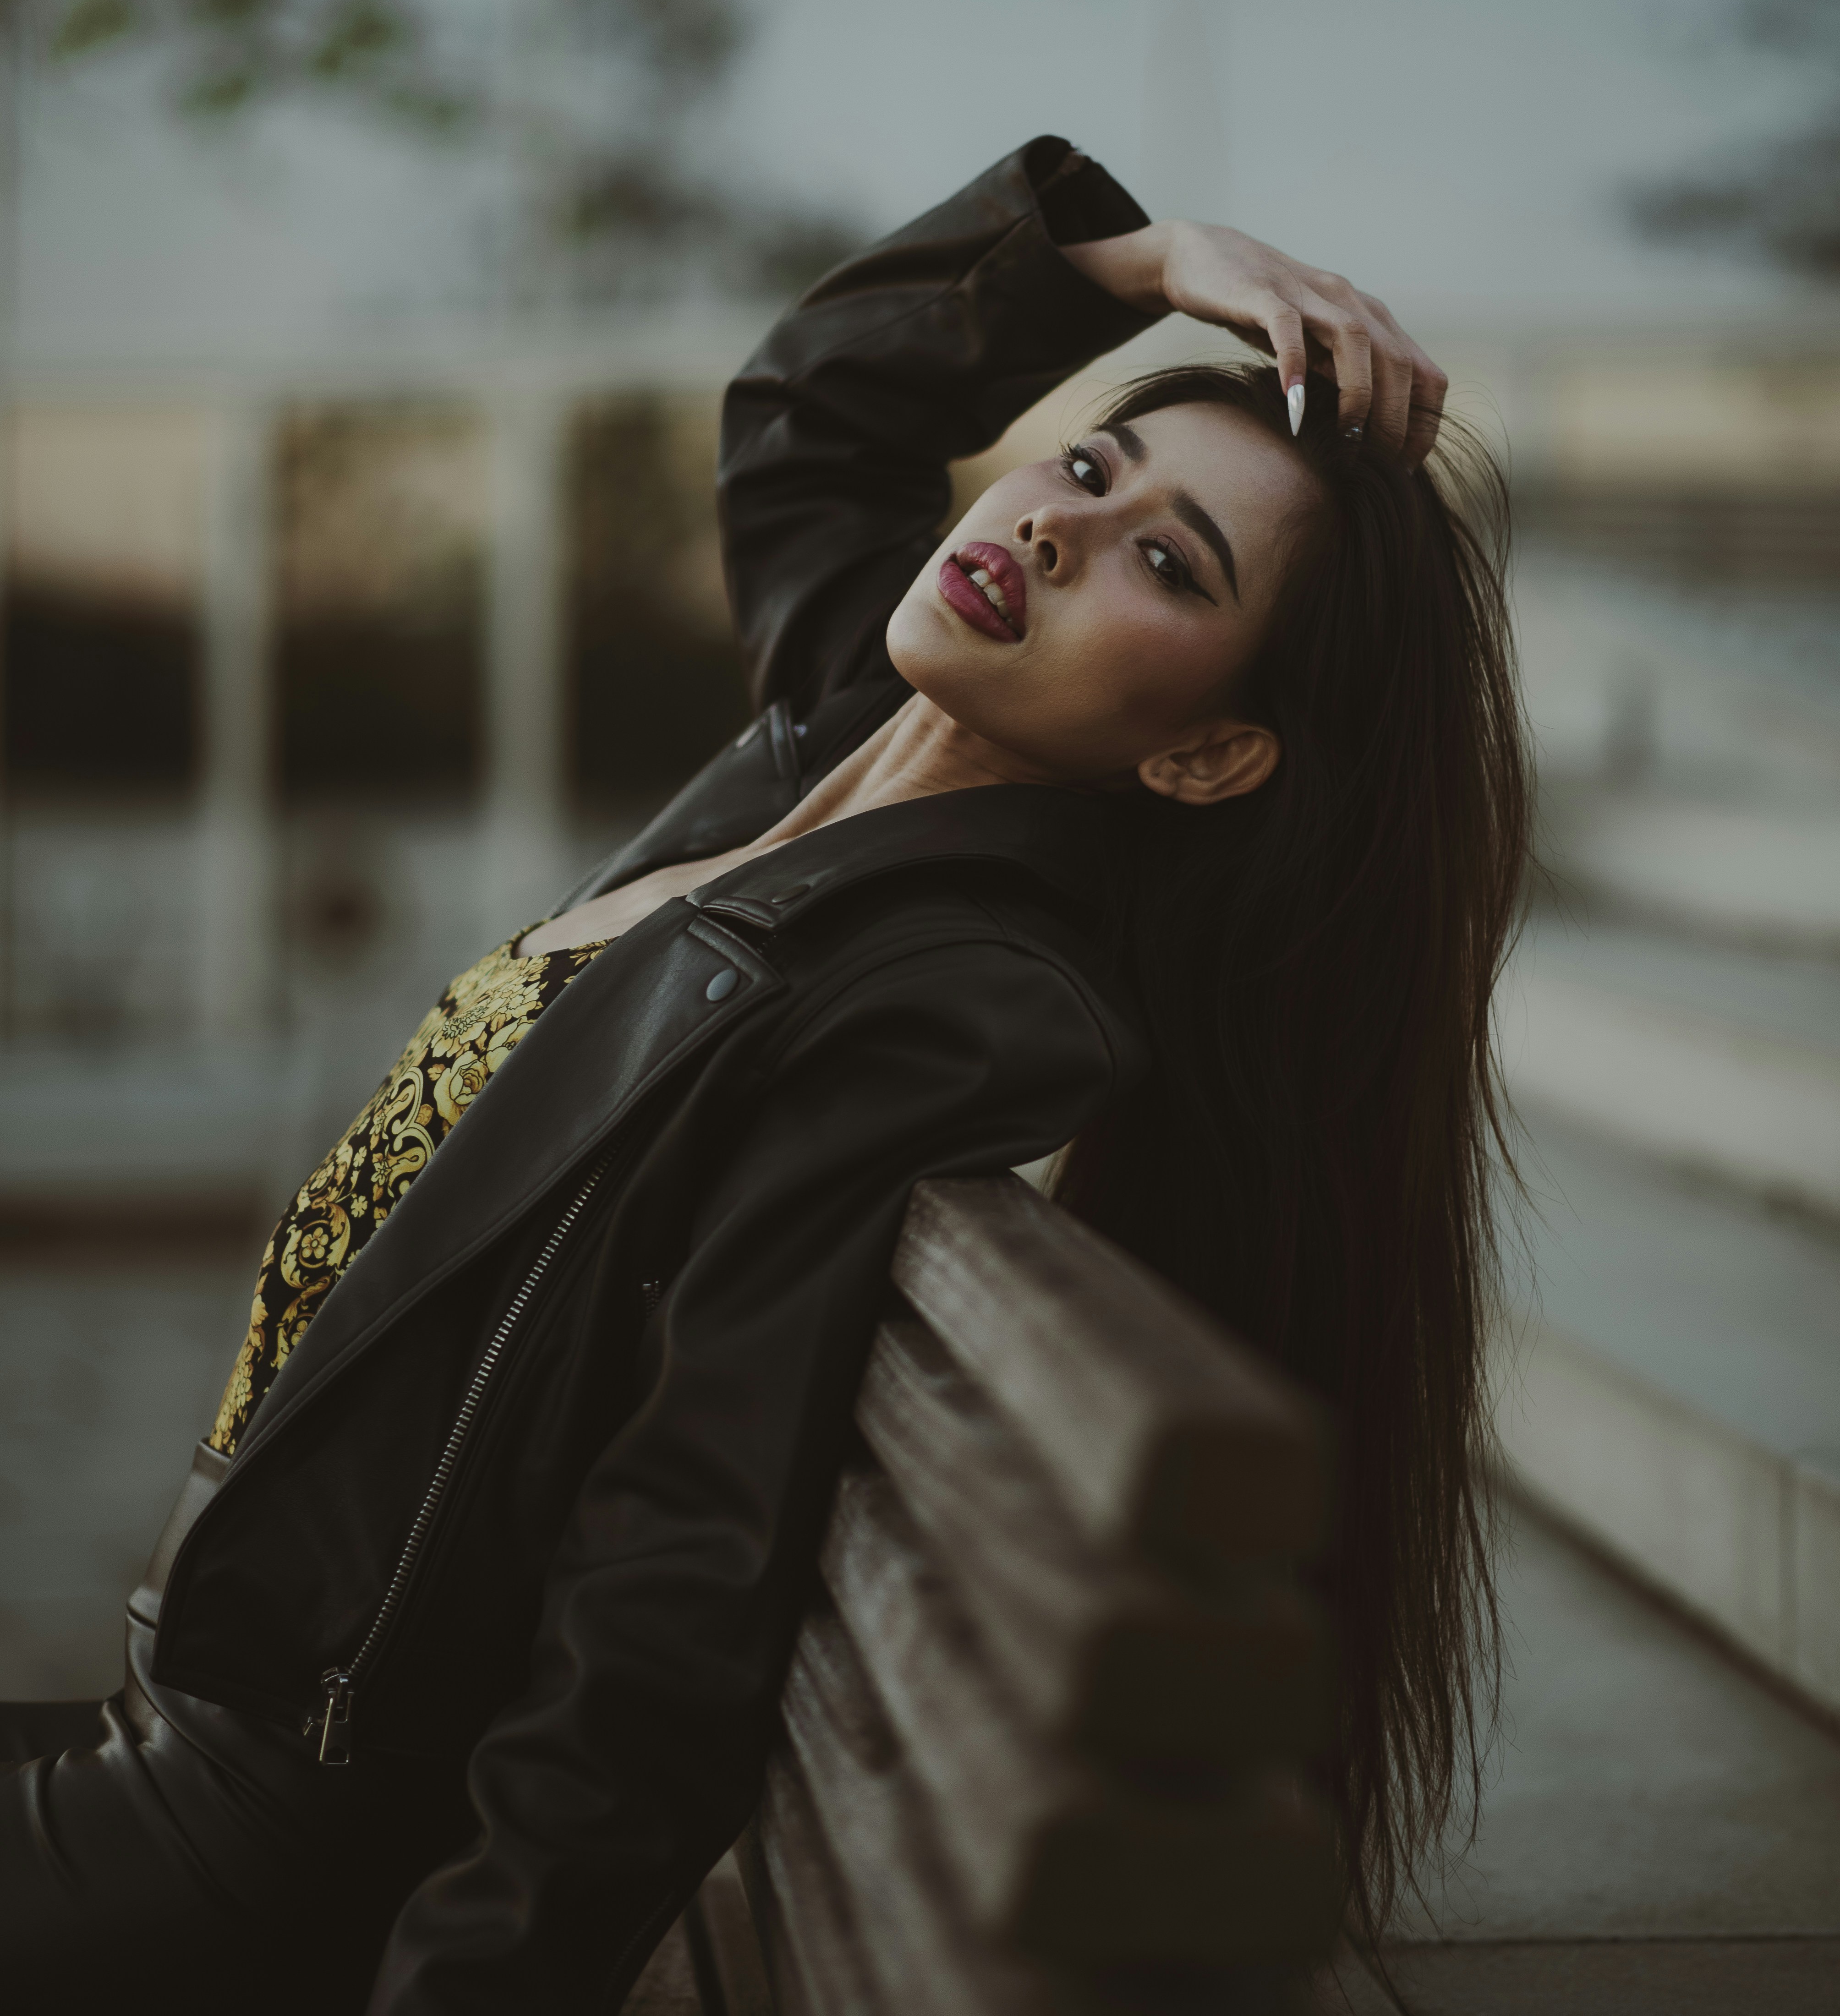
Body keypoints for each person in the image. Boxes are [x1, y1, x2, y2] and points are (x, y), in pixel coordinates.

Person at [0, 136, 1528, 2011]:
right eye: (1086, 460)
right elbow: (809, 413)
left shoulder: (957, 993)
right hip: (167, 1729)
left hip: (240, 1837)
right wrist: (1133, 264)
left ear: (1208, 756)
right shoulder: (841, 739)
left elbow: (675, 1593)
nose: (1052, 522)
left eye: (1161, 560)